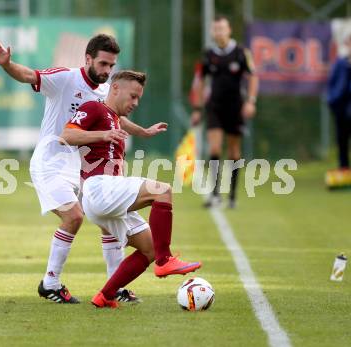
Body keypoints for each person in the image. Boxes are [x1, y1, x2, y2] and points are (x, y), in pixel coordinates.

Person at [0, 34, 167, 304]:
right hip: (51, 161)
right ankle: (50, 282)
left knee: (109, 219)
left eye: (111, 65)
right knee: (74, 216)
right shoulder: (65, 78)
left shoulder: (105, 92)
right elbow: (29, 76)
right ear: (88, 59)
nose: (107, 71)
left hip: (80, 167)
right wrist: (6, 65)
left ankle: (114, 286)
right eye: (103, 64)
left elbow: (115, 117)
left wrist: (142, 132)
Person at [61, 70, 202, 309]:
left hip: (103, 199)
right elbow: (66, 135)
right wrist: (104, 134)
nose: (135, 103)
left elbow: (122, 124)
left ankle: (105, 295)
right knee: (162, 190)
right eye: (133, 96)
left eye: (139, 98)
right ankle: (165, 260)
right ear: (114, 88)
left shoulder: (114, 117)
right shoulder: (95, 108)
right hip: (99, 189)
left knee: (148, 249)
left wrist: (145, 132)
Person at [190, 15, 258, 209]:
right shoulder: (208, 54)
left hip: (236, 107)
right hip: (215, 107)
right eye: (216, 29)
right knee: (214, 149)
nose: (219, 32)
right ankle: (215, 194)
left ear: (229, 30)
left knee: (234, 151)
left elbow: (253, 77)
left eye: (222, 28)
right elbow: (200, 81)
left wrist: (251, 101)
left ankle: (233, 196)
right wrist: (197, 107)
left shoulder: (241, 53)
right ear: (212, 32)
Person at [327, 35, 351, 170]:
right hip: (341, 109)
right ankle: (344, 169)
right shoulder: (341, 64)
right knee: (342, 140)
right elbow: (332, 84)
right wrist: (332, 101)